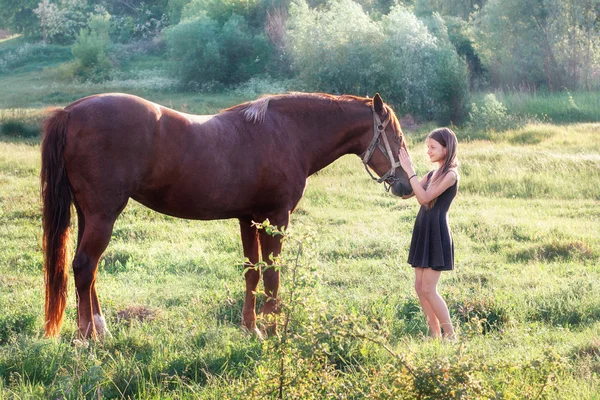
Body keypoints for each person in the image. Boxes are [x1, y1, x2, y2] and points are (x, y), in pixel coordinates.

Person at [398, 127, 459, 340]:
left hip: (437, 232)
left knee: (429, 288)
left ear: (446, 148)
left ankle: (450, 336)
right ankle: (435, 335)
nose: (429, 151)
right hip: (423, 229)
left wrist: (411, 170)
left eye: (433, 147)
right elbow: (408, 193)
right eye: (428, 147)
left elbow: (424, 197)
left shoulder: (450, 175)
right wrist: (399, 170)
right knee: (419, 287)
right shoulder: (432, 173)